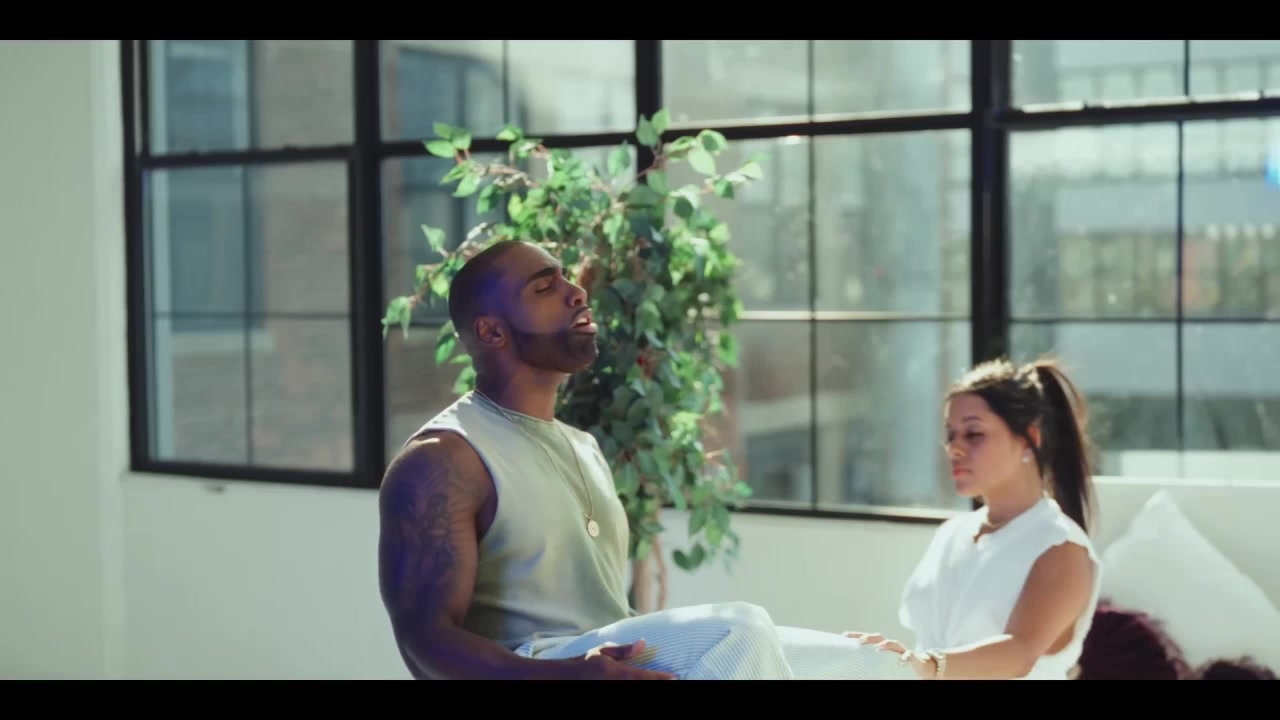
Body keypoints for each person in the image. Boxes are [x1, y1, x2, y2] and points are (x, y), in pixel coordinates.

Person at [376, 239, 907, 680]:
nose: (577, 292)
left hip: (608, 652)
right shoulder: (443, 459)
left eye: (566, 278)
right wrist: (566, 677)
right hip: (541, 665)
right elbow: (424, 642)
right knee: (737, 630)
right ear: (492, 331)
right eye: (545, 287)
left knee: (873, 665)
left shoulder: (582, 445)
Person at [844, 357, 1104, 680]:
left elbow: (1020, 652)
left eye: (974, 434)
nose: (954, 448)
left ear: (1029, 440)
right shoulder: (952, 533)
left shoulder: (1061, 546)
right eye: (950, 434)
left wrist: (926, 664)